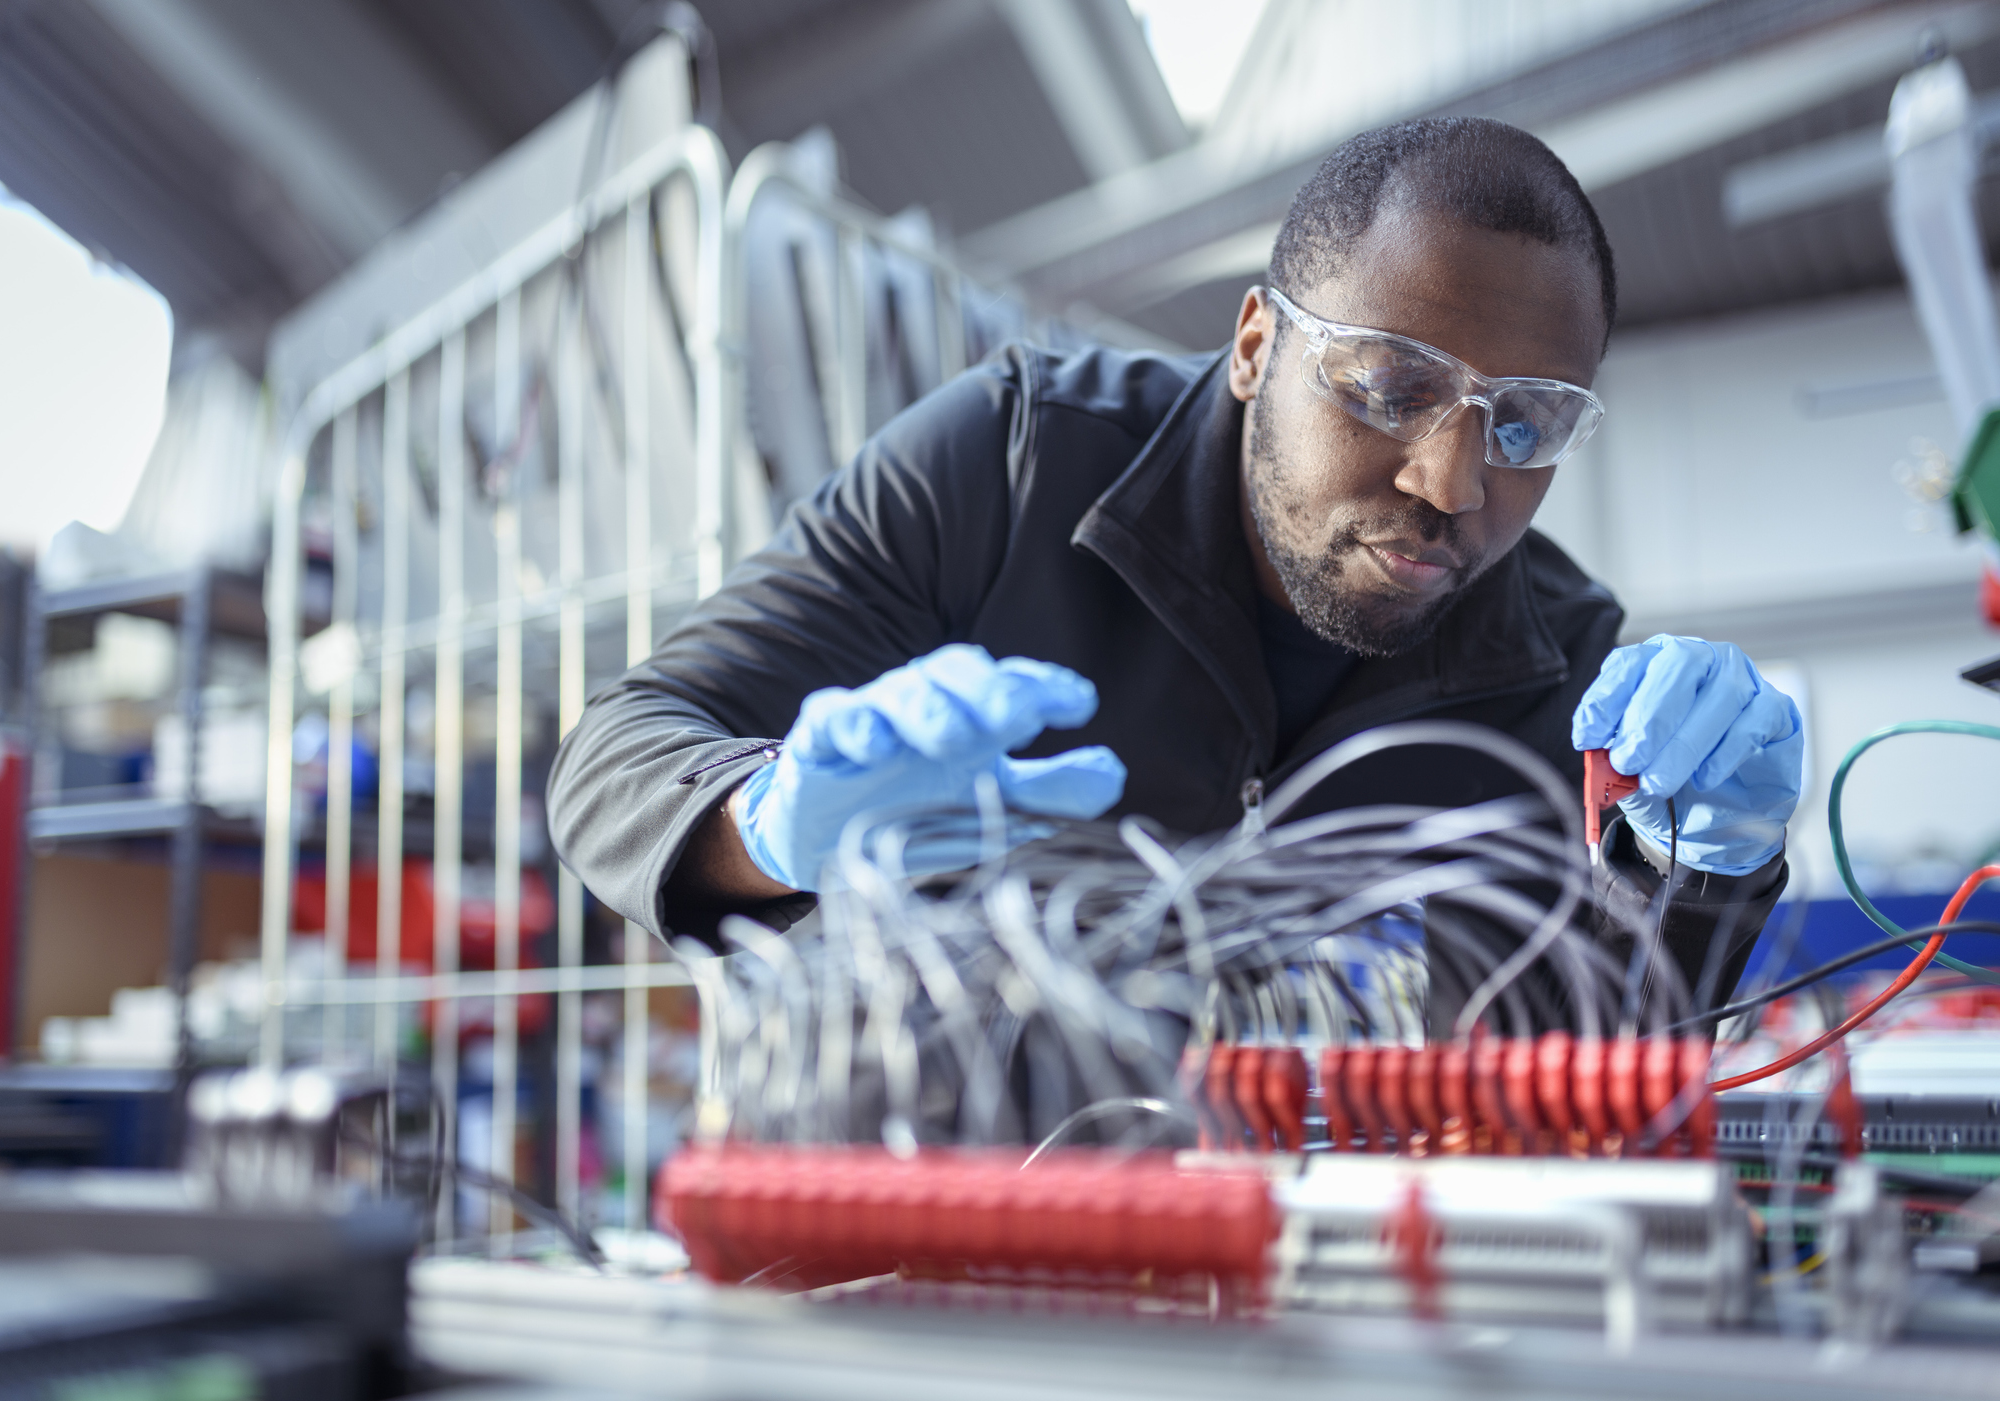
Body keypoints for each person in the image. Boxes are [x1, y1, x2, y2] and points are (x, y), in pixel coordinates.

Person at [547, 117, 1802, 1029]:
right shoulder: (1015, 460)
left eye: (1524, 422)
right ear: (1255, 343)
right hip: (962, 1233)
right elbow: (618, 746)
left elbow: (1579, 1057)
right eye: (1391, 387)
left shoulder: (1559, 661)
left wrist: (1704, 872)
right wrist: (766, 822)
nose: (1453, 481)